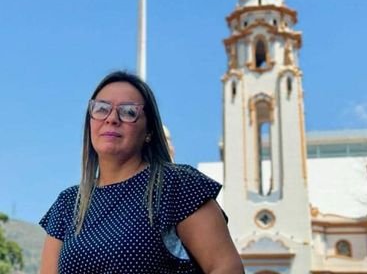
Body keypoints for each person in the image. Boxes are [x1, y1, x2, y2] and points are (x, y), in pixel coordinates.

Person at [39, 71, 244, 274]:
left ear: (149, 131)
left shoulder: (177, 184)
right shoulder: (68, 203)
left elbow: (226, 267)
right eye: (101, 109)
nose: (111, 119)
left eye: (128, 112)